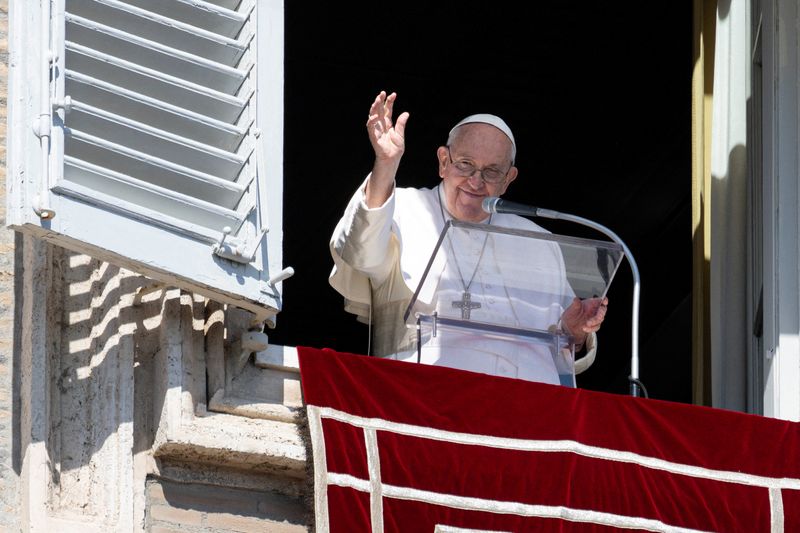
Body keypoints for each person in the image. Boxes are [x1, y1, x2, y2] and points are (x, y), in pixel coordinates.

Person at [329, 91, 608, 385]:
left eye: (491, 172)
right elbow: (360, 254)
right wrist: (385, 164)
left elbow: (562, 342)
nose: (476, 182)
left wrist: (576, 329)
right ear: (443, 161)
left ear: (508, 179)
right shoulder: (401, 208)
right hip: (423, 391)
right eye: (465, 164)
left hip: (530, 404)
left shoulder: (538, 241)